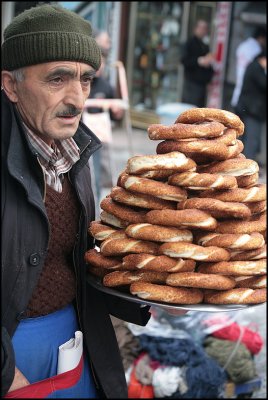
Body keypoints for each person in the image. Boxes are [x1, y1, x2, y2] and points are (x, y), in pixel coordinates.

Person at [1, 4, 151, 398]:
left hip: (73, 339)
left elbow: (77, 258)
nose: (78, 99)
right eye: (57, 79)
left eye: (85, 80)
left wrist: (150, 284)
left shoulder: (74, 151)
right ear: (11, 85)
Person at [83, 31, 124, 205]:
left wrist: (116, 111)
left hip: (98, 135)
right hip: (79, 132)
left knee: (97, 174)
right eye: (96, 62)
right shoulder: (83, 82)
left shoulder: (107, 86)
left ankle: (94, 202)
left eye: (102, 62)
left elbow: (118, 115)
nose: (99, 66)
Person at [236, 50, 266, 161]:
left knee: (245, 139)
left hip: (248, 109)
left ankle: (240, 164)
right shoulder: (256, 68)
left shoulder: (253, 66)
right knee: (251, 140)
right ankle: (247, 166)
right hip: (252, 111)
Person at [231, 26, 266, 113]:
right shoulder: (257, 50)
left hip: (238, 92)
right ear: (261, 38)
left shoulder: (242, 46)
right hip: (250, 97)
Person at [180, 19, 215, 107]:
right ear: (196, 28)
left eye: (205, 28)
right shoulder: (189, 43)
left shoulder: (204, 45)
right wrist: (199, 61)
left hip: (202, 85)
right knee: (190, 110)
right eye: (201, 28)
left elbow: (208, 63)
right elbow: (184, 60)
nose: (203, 31)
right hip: (192, 84)